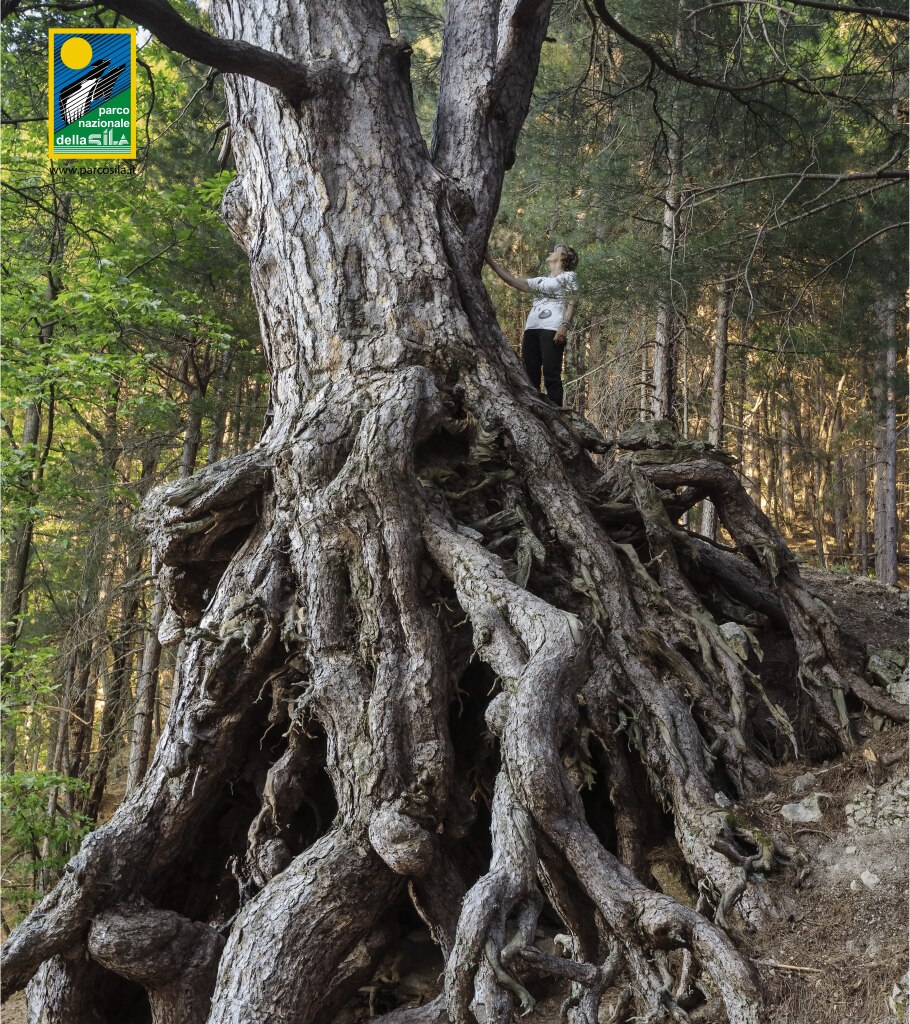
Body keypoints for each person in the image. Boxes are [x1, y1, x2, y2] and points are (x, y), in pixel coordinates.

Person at [484, 244, 579, 407]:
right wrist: (490, 261)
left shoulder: (569, 276)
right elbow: (513, 281)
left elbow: (573, 300)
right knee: (529, 374)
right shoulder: (541, 281)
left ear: (564, 257)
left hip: (552, 329)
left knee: (551, 373)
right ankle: (535, 409)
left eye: (557, 249)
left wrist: (564, 326)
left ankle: (557, 412)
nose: (553, 250)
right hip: (531, 329)